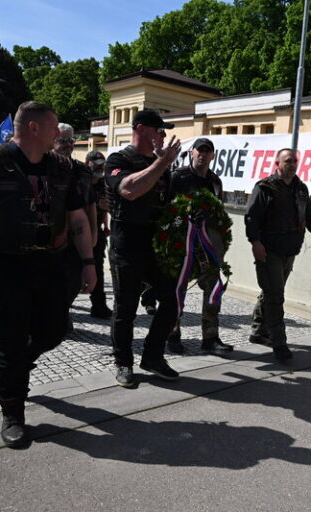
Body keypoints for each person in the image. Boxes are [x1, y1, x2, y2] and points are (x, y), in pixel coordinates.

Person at [0, 101, 96, 448]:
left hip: (50, 263)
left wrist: (88, 263)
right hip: (3, 266)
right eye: (54, 126)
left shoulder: (62, 167)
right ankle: (13, 412)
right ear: (33, 128)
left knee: (57, 329)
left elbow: (77, 219)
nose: (59, 133)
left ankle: (19, 362)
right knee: (10, 340)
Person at [106, 109, 181, 388]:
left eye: (163, 130)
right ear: (140, 129)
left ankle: (152, 356)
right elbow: (129, 189)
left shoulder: (161, 165)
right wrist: (161, 165)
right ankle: (123, 361)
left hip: (155, 245)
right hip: (127, 244)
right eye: (158, 129)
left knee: (171, 301)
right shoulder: (119, 159)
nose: (163, 135)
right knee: (126, 308)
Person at [244, 148, 311, 362]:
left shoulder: (300, 189)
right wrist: (255, 242)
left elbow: (310, 217)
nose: (292, 164)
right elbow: (251, 218)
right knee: (276, 296)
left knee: (271, 291)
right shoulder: (264, 187)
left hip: (290, 250)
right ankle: (279, 343)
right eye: (287, 161)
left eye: (294, 161)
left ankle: (258, 331)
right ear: (277, 163)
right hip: (269, 250)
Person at [167, 137, 233, 356]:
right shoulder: (178, 177)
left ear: (213, 155)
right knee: (177, 292)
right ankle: (172, 335)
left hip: (206, 246)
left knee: (213, 291)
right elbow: (166, 208)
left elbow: (219, 211)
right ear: (192, 153)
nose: (203, 155)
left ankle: (211, 338)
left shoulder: (215, 181)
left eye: (208, 151)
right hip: (182, 244)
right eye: (199, 151)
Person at [52, 123, 98, 331]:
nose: (68, 145)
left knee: (72, 282)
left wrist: (94, 233)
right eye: (63, 140)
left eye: (71, 140)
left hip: (76, 237)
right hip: (49, 236)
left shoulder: (82, 171)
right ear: (52, 140)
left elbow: (90, 205)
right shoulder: (44, 166)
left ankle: (62, 310)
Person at [85, 150, 112, 318]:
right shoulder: (81, 182)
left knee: (98, 269)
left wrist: (105, 209)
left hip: (98, 232)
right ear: (88, 162)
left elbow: (109, 206)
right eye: (96, 163)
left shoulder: (103, 183)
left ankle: (98, 305)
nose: (99, 166)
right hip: (78, 232)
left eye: (101, 163)